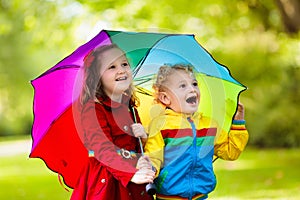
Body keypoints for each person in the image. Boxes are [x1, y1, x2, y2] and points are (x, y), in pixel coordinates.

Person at [144, 64, 249, 200]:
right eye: (183, 86)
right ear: (165, 98)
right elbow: (154, 157)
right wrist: (149, 170)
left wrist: (238, 122)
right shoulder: (161, 125)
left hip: (200, 196)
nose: (192, 89)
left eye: (194, 84)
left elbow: (231, 152)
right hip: (169, 196)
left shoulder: (209, 125)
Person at [71, 44, 155, 200]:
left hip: (135, 177)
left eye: (124, 64)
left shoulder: (129, 105)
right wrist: (130, 174)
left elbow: (134, 147)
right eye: (112, 67)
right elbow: (102, 149)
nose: (121, 70)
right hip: (109, 179)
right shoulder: (94, 109)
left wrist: (143, 139)